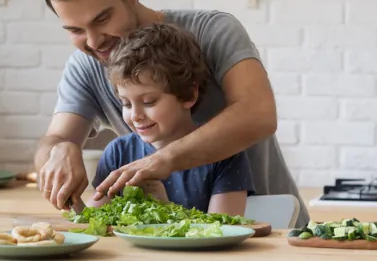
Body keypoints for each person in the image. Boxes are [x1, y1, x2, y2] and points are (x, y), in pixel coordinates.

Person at [32, 0, 310, 227]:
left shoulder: (213, 31)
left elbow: (259, 114)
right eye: (75, 30)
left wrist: (163, 159)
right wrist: (59, 151)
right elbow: (54, 140)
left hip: (272, 232)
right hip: (167, 240)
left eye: (102, 18)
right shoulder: (85, 66)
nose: (93, 41)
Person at [86, 23, 255, 215]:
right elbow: (92, 220)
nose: (135, 115)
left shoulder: (224, 154)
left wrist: (165, 209)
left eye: (149, 101)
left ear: (189, 95)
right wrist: (72, 199)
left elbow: (224, 230)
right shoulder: (118, 152)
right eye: (126, 104)